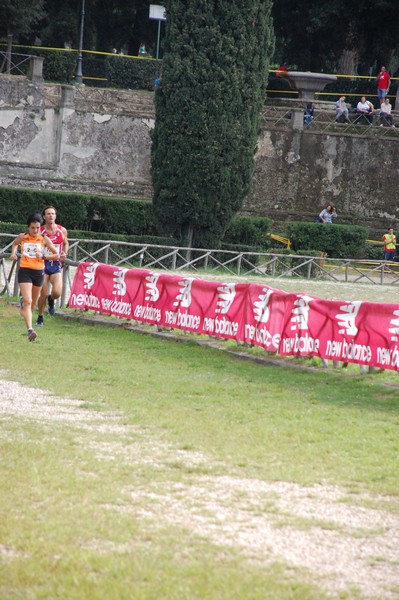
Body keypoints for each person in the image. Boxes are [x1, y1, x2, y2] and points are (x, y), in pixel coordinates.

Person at [10, 214, 59, 341]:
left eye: (37, 228)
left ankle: (24, 308)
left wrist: (43, 257)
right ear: (28, 227)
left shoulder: (44, 239)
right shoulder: (23, 237)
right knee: (28, 301)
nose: (35, 230)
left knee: (31, 305)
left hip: (39, 273)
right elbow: (15, 244)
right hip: (25, 271)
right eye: (33, 228)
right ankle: (30, 330)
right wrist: (14, 253)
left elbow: (56, 254)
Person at [36, 205, 69, 327]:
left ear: (56, 216)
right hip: (42, 263)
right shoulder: (40, 231)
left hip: (56, 264)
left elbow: (65, 243)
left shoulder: (62, 230)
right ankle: (40, 316)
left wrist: (65, 252)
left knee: (57, 292)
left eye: (53, 214)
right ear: (44, 217)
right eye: (48, 214)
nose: (51, 216)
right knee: (43, 293)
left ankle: (51, 300)